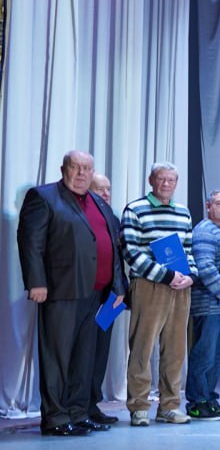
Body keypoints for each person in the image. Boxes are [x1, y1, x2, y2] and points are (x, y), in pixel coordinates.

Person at [17, 151, 127, 436]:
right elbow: (31, 243)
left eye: (87, 168)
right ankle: (55, 417)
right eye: (75, 167)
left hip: (96, 294)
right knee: (58, 357)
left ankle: (78, 412)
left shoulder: (98, 203)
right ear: (63, 169)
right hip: (61, 291)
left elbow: (112, 247)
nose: (81, 173)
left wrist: (117, 286)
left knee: (84, 358)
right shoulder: (43, 197)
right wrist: (36, 282)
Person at [121, 162, 196, 426]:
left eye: (171, 180)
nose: (166, 184)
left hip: (180, 287)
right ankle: (139, 406)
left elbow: (188, 250)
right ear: (151, 181)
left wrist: (190, 276)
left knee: (175, 350)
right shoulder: (135, 209)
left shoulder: (183, 212)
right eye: (161, 179)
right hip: (149, 285)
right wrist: (165, 275)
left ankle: (170, 405)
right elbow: (131, 251)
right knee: (142, 347)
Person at [184, 189, 220, 421]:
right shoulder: (205, 231)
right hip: (208, 305)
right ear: (209, 206)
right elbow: (205, 267)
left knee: (217, 358)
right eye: (219, 203)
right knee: (204, 355)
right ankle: (196, 403)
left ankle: (209, 398)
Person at [88, 172, 122, 424]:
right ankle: (75, 406)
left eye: (108, 189)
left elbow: (119, 259)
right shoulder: (83, 216)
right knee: (83, 354)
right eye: (100, 189)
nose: (106, 194)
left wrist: (120, 290)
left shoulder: (113, 218)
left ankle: (91, 405)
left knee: (100, 353)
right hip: (83, 294)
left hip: (108, 297)